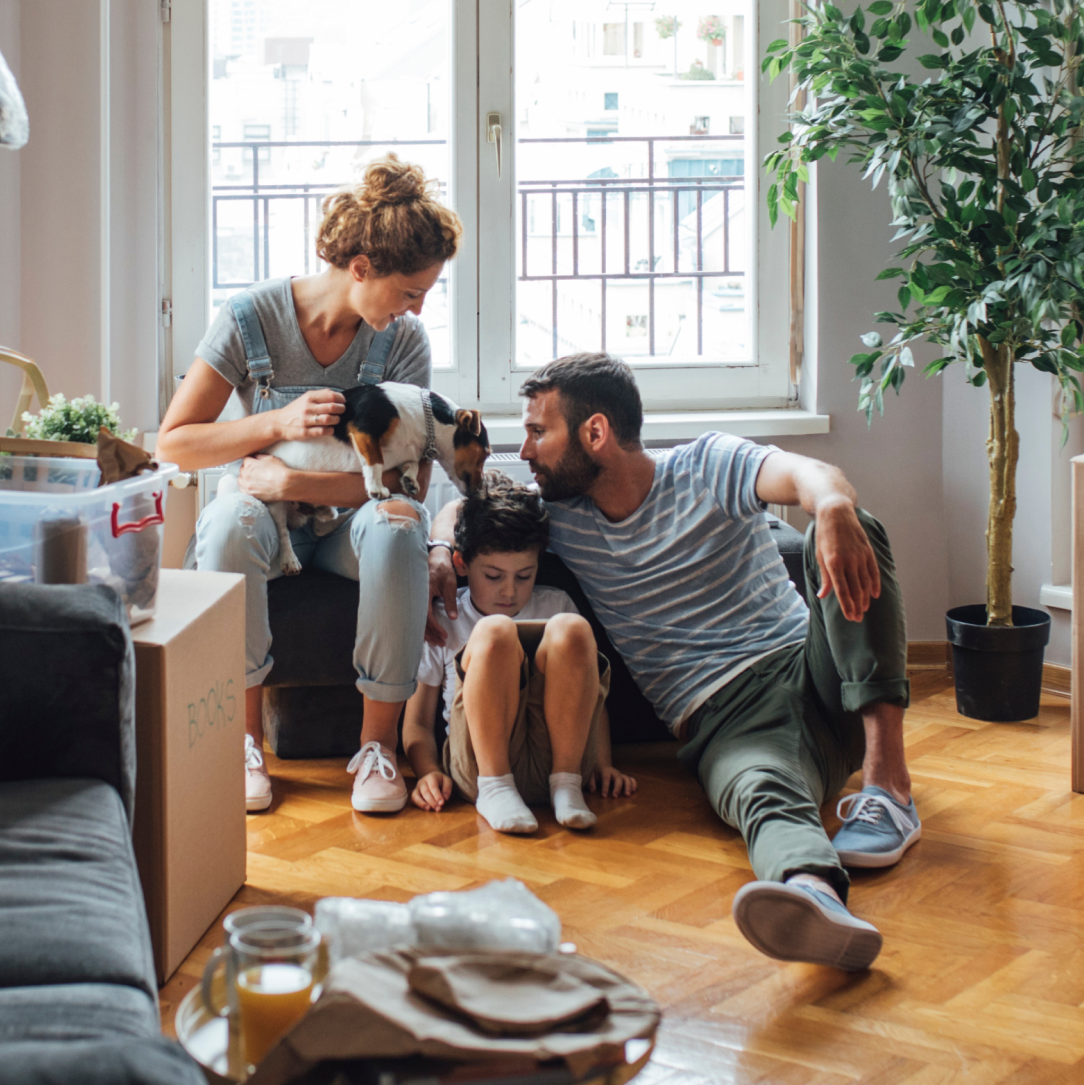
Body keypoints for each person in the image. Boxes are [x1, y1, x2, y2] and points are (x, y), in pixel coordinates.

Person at [431, 353, 919, 971]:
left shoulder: (708, 464)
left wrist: (833, 508)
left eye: (537, 432)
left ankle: (889, 789)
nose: (524, 452)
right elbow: (468, 508)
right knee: (760, 795)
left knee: (856, 523)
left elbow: (810, 473)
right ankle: (814, 898)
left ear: (595, 433)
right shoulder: (561, 515)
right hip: (725, 722)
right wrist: (442, 546)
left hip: (812, 666)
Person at [156, 156, 462, 816]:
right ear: (361, 269)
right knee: (230, 522)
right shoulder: (250, 319)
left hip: (345, 523)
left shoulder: (401, 342)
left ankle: (375, 749)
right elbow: (175, 441)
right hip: (264, 519)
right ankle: (240, 746)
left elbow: (408, 483)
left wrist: (293, 478)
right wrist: (276, 421)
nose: (418, 307)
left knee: (399, 526)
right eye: (411, 290)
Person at [400, 480, 637, 834]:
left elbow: (591, 701)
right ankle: (497, 789)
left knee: (572, 629)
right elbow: (417, 722)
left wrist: (602, 762)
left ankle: (566, 787)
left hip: (561, 759)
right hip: (479, 769)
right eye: (493, 576)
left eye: (524, 576)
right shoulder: (445, 621)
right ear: (461, 564)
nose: (509, 591)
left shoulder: (556, 603)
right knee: (496, 632)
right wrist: (428, 772)